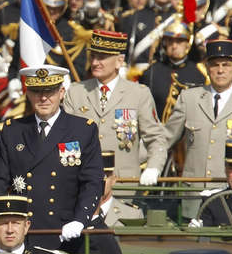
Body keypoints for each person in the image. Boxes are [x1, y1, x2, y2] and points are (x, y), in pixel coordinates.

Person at [0, 65, 104, 250]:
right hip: (23, 232)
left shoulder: (82, 130)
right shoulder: (13, 130)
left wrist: (80, 220)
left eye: (50, 91)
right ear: (28, 94)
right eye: (37, 92)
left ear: (62, 92)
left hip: (66, 232)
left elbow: (92, 182)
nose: (44, 98)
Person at [164, 39, 232, 218]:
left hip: (231, 198)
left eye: (226, 65)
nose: (220, 70)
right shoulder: (189, 98)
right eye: (215, 65)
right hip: (194, 198)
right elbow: (165, 138)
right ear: (207, 68)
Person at [63, 30, 167, 185]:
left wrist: (154, 167)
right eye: (93, 56)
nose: (95, 62)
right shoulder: (75, 91)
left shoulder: (138, 93)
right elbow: (66, 138)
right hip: (83, 184)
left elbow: (155, 138)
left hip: (123, 184)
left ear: (119, 61)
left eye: (102, 57)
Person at [97, 151, 144, 228]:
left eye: (105, 176)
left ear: (114, 179)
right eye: (95, 176)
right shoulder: (76, 212)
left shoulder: (132, 215)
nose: (101, 181)